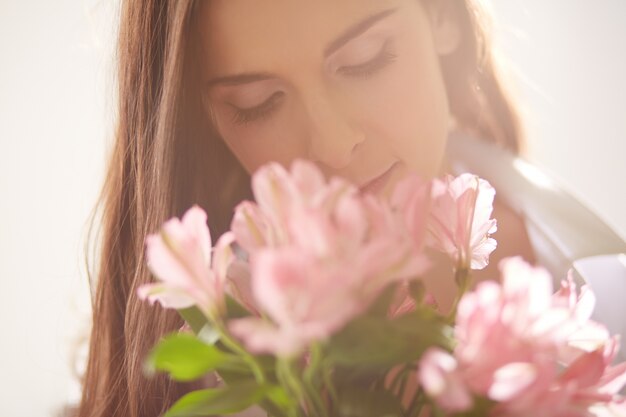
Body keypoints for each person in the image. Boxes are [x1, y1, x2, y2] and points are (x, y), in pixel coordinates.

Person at [76, 1, 537, 416]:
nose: (334, 148)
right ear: (205, 121)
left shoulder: (586, 270)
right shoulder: (212, 361)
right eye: (259, 104)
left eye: (366, 59)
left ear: (439, 15)